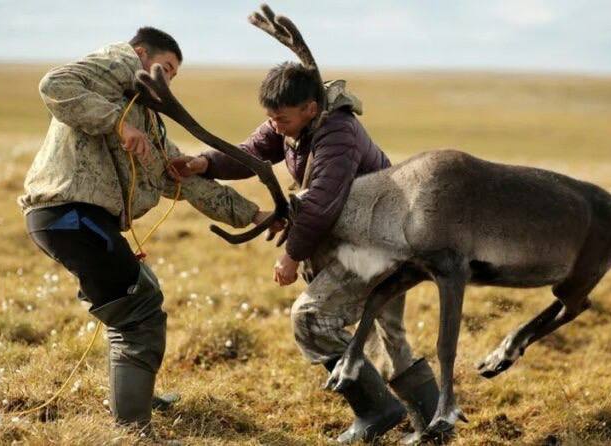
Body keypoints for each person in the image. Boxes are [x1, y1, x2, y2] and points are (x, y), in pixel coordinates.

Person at [171, 62, 443, 443]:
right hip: (368, 241)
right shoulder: (291, 123)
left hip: (377, 246)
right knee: (385, 337)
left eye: (280, 118)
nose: (274, 125)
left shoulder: (338, 135)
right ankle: (435, 430)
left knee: (312, 318)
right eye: (270, 117)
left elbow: (320, 203)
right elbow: (252, 152)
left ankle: (377, 410)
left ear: (311, 109)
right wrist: (206, 163)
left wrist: (291, 257)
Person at [18, 27, 272, 430]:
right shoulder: (120, 64)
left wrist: (256, 214)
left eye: (173, 76)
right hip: (69, 214)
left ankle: (133, 393)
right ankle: (133, 429)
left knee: (140, 291)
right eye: (166, 68)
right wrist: (118, 124)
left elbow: (184, 181)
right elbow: (55, 83)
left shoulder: (144, 116)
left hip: (79, 220)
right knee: (137, 313)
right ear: (141, 53)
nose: (167, 81)